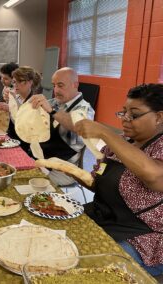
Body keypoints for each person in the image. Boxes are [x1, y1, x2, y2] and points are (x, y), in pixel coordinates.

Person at [74, 83, 163, 276]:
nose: (125, 119)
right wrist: (69, 170)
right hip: (103, 218)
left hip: (143, 238)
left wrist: (105, 133)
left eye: (134, 114)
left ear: (159, 117)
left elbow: (154, 175)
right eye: (123, 112)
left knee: (92, 271)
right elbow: (96, 183)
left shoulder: (158, 146)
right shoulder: (119, 143)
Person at [30, 67, 94, 186]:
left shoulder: (85, 109)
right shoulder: (55, 102)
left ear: (75, 85)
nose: (56, 90)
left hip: (63, 171)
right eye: (54, 85)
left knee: (23, 181)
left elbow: (78, 125)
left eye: (60, 85)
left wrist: (51, 111)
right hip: (43, 160)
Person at [1, 66, 42, 152]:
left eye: (21, 81)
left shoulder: (35, 101)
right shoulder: (17, 97)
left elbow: (23, 124)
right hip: (10, 138)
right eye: (15, 82)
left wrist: (14, 102)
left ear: (30, 83)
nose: (16, 85)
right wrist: (7, 108)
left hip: (24, 145)